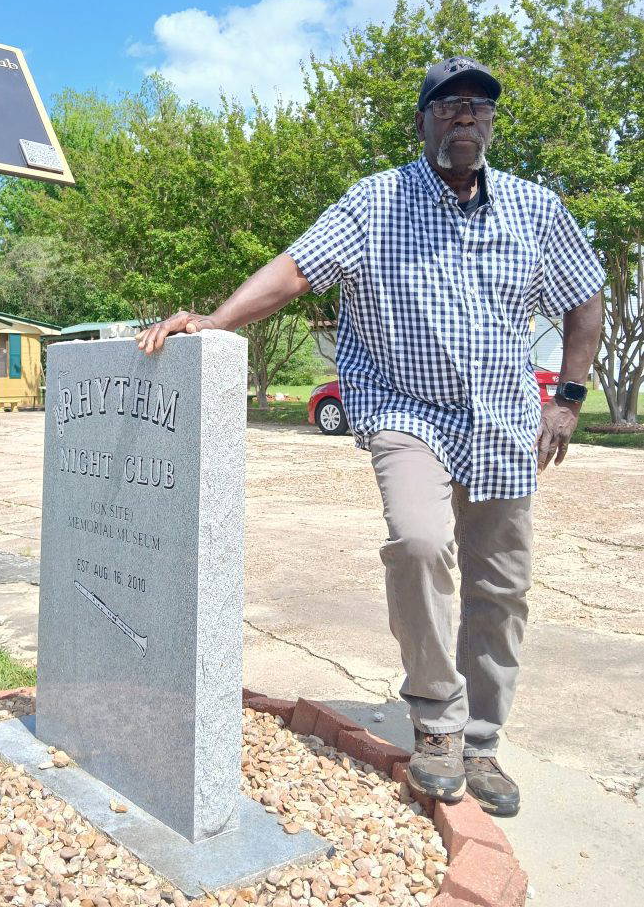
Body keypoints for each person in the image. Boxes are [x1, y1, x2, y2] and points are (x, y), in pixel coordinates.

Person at [136, 56, 604, 817]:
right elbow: (295, 270)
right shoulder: (375, 203)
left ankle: (480, 744)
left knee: (502, 589)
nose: (464, 117)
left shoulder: (532, 208)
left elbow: (585, 299)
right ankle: (436, 724)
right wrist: (215, 321)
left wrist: (568, 402)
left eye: (477, 108)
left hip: (502, 420)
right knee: (418, 544)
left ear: (490, 124)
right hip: (404, 411)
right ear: (421, 121)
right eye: (447, 106)